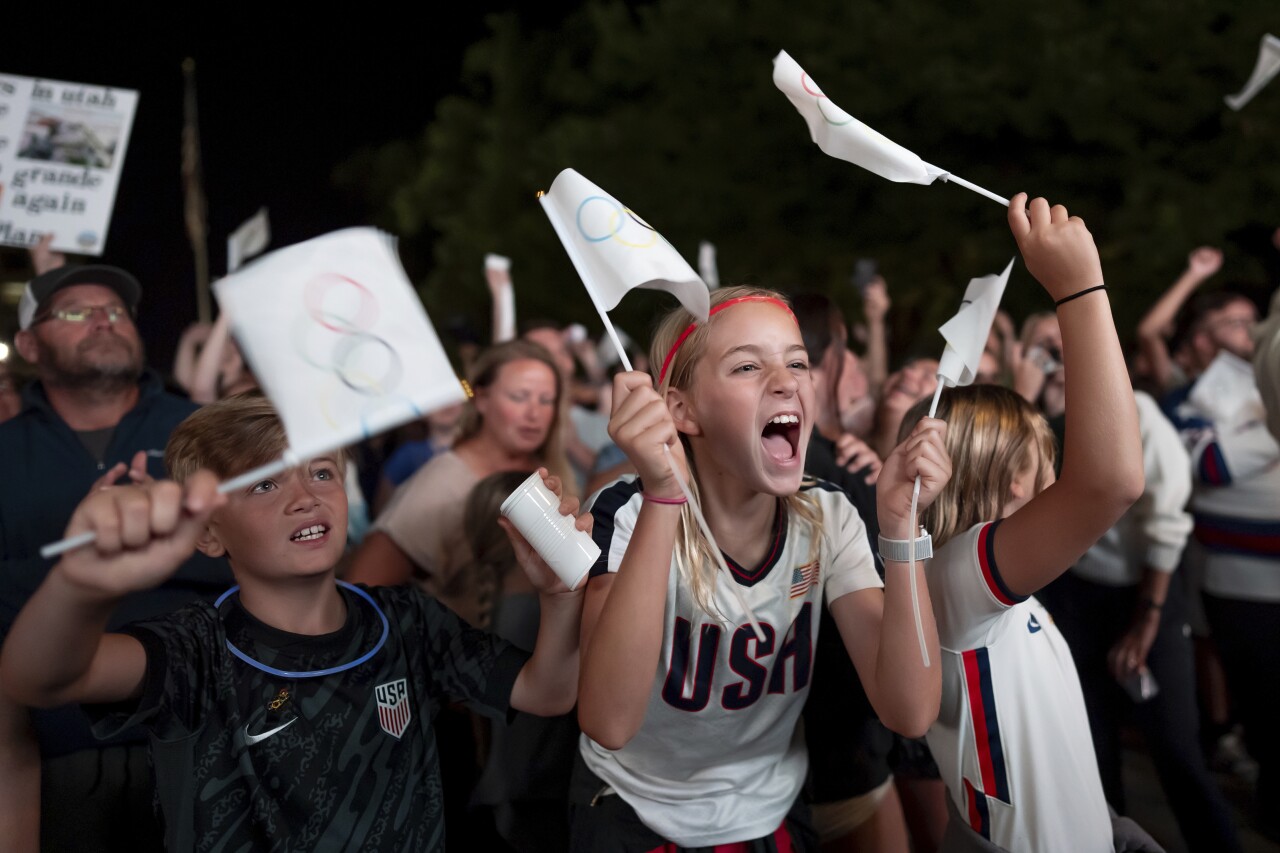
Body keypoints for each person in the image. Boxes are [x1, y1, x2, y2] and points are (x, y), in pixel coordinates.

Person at [0, 394, 586, 851]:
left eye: (322, 473)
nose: (306, 497)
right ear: (207, 534)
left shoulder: (405, 619)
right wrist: (81, 586)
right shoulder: (195, 649)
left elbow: (548, 691)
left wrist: (558, 596)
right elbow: (39, 680)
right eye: (264, 483)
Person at [572, 285, 949, 850]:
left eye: (797, 361)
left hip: (772, 812)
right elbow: (608, 721)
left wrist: (900, 528)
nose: (786, 379)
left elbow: (911, 711)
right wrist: (663, 500)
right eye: (748, 365)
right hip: (633, 809)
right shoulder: (625, 514)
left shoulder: (831, 515)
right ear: (682, 410)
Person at [899, 194, 1148, 852]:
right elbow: (1112, 480)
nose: (1058, 472)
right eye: (1048, 459)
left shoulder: (972, 578)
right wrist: (1080, 289)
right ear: (1014, 478)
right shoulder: (960, 573)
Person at [0, 263, 231, 851]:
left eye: (117, 310)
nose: (104, 318)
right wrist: (83, 566)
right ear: (28, 344)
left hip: (218, 739)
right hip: (57, 757)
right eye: (76, 311)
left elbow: (257, 560)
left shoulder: (203, 432)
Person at [1037, 391, 1242, 852]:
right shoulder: (1040, 419)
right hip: (1076, 593)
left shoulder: (1134, 412)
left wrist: (1146, 622)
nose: (1051, 361)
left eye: (1058, 346)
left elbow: (1167, 521)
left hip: (1147, 591)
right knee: (1092, 748)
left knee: (1176, 750)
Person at [1163, 288, 1280, 838]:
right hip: (1242, 588)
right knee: (1266, 710)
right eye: (1234, 323)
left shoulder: (1265, 389)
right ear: (1204, 339)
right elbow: (1209, 464)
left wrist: (1259, 432)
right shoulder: (1186, 404)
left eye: (1254, 320)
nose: (1251, 330)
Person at [348, 339, 572, 619]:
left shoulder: (551, 473)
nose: (534, 413)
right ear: (481, 399)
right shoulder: (442, 483)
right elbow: (363, 588)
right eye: (518, 397)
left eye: (546, 400)